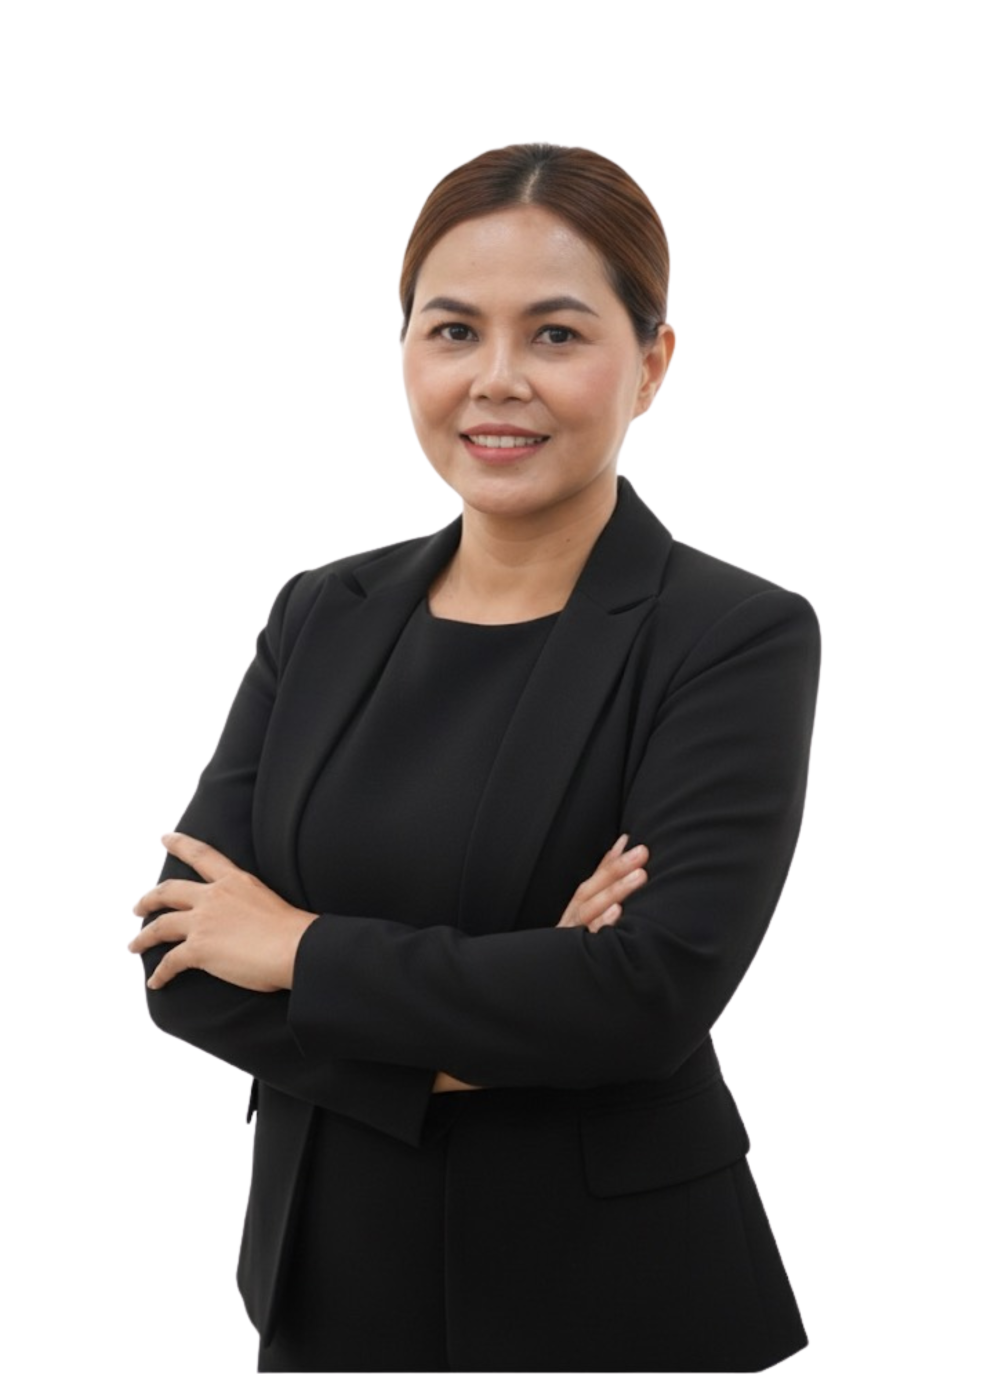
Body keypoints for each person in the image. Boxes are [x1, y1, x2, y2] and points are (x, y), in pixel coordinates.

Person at [130, 142, 821, 1373]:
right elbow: (183, 962)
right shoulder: (322, 613)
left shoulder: (730, 635)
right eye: (453, 331)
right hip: (326, 1283)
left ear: (651, 363)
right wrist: (515, 1007)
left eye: (555, 334)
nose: (496, 379)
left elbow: (641, 1000)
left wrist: (296, 949)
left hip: (617, 1305)